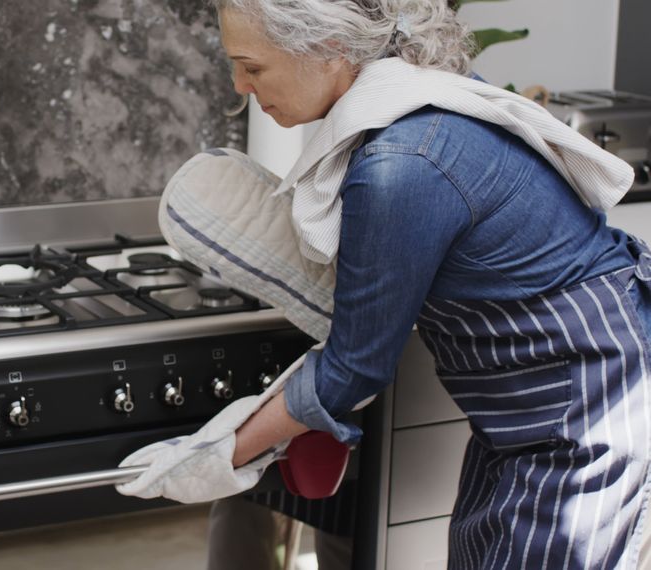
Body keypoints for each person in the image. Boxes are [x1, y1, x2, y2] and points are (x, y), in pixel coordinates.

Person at [199, 0, 651, 568]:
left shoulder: (402, 162)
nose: (240, 86)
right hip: (525, 405)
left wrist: (214, 455)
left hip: (586, 410)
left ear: (326, 50)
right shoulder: (420, 95)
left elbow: (354, 369)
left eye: (252, 66)